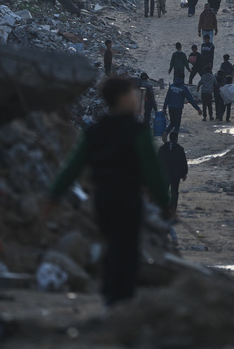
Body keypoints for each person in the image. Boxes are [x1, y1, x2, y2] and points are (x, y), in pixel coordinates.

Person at [48, 77, 170, 306]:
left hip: (102, 199)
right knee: (128, 249)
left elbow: (73, 166)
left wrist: (54, 194)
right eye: (132, 93)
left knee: (111, 244)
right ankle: (122, 299)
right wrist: (166, 202)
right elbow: (152, 171)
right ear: (122, 98)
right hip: (129, 198)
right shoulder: (137, 131)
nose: (136, 98)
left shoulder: (95, 130)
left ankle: (109, 294)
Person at [157, 132, 188, 213]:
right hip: (175, 174)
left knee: (164, 191)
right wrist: (184, 173)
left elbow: (157, 161)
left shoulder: (163, 148)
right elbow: (183, 162)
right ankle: (173, 208)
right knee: (174, 192)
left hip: (164, 174)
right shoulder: (179, 149)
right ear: (176, 139)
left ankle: (164, 207)